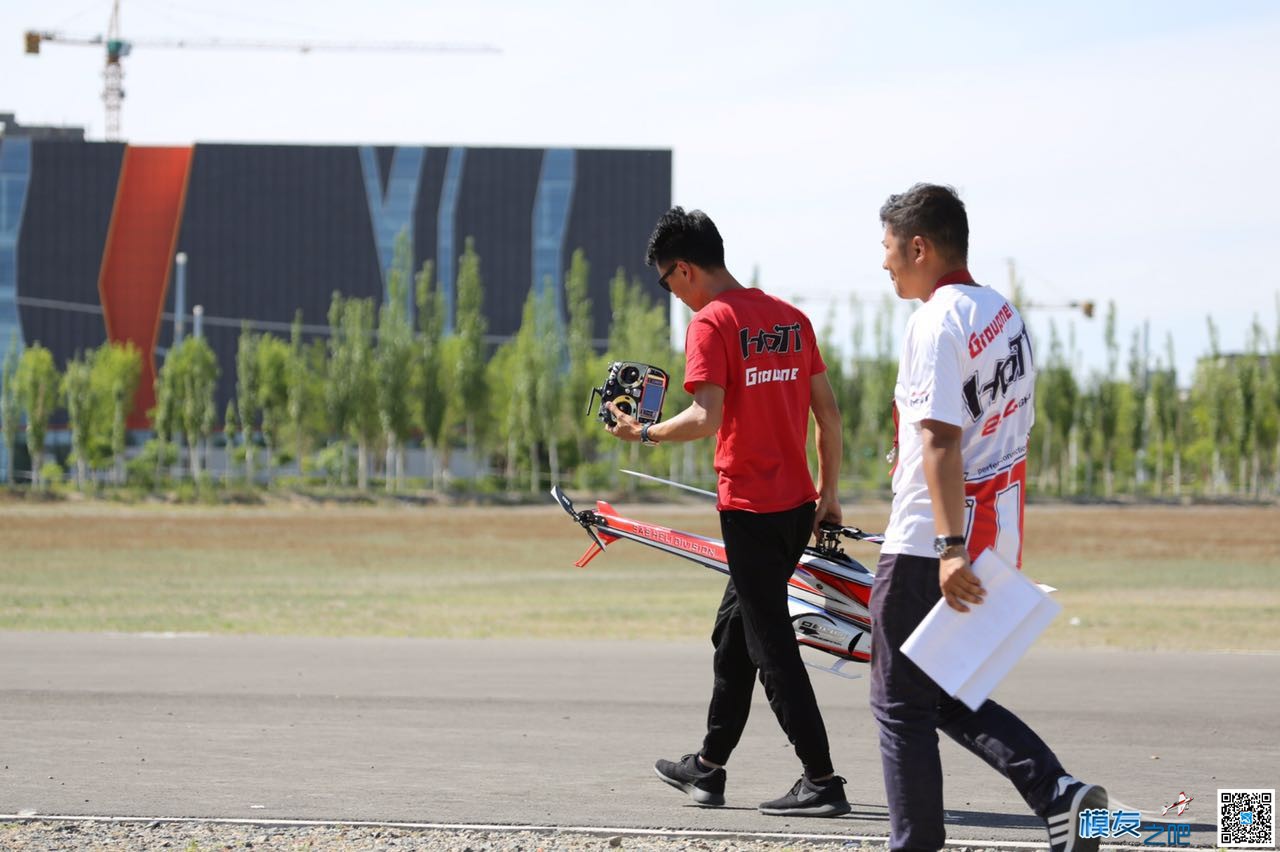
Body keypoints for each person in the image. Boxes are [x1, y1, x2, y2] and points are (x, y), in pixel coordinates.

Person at [872, 183, 1107, 852]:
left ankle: (913, 843)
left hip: (930, 537)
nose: (884, 263)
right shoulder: (1004, 314)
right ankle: (1059, 795)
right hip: (995, 528)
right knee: (942, 689)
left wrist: (947, 547)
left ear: (919, 247)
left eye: (888, 249)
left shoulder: (935, 320)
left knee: (897, 702)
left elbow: (940, 441)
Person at [602, 206, 850, 817]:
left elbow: (706, 418)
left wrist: (643, 434)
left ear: (683, 269)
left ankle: (822, 781)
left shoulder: (712, 324)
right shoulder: (791, 319)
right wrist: (830, 495)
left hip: (750, 509)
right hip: (795, 505)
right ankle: (709, 769)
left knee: (770, 646)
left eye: (666, 283)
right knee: (734, 633)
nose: (672, 295)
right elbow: (829, 415)